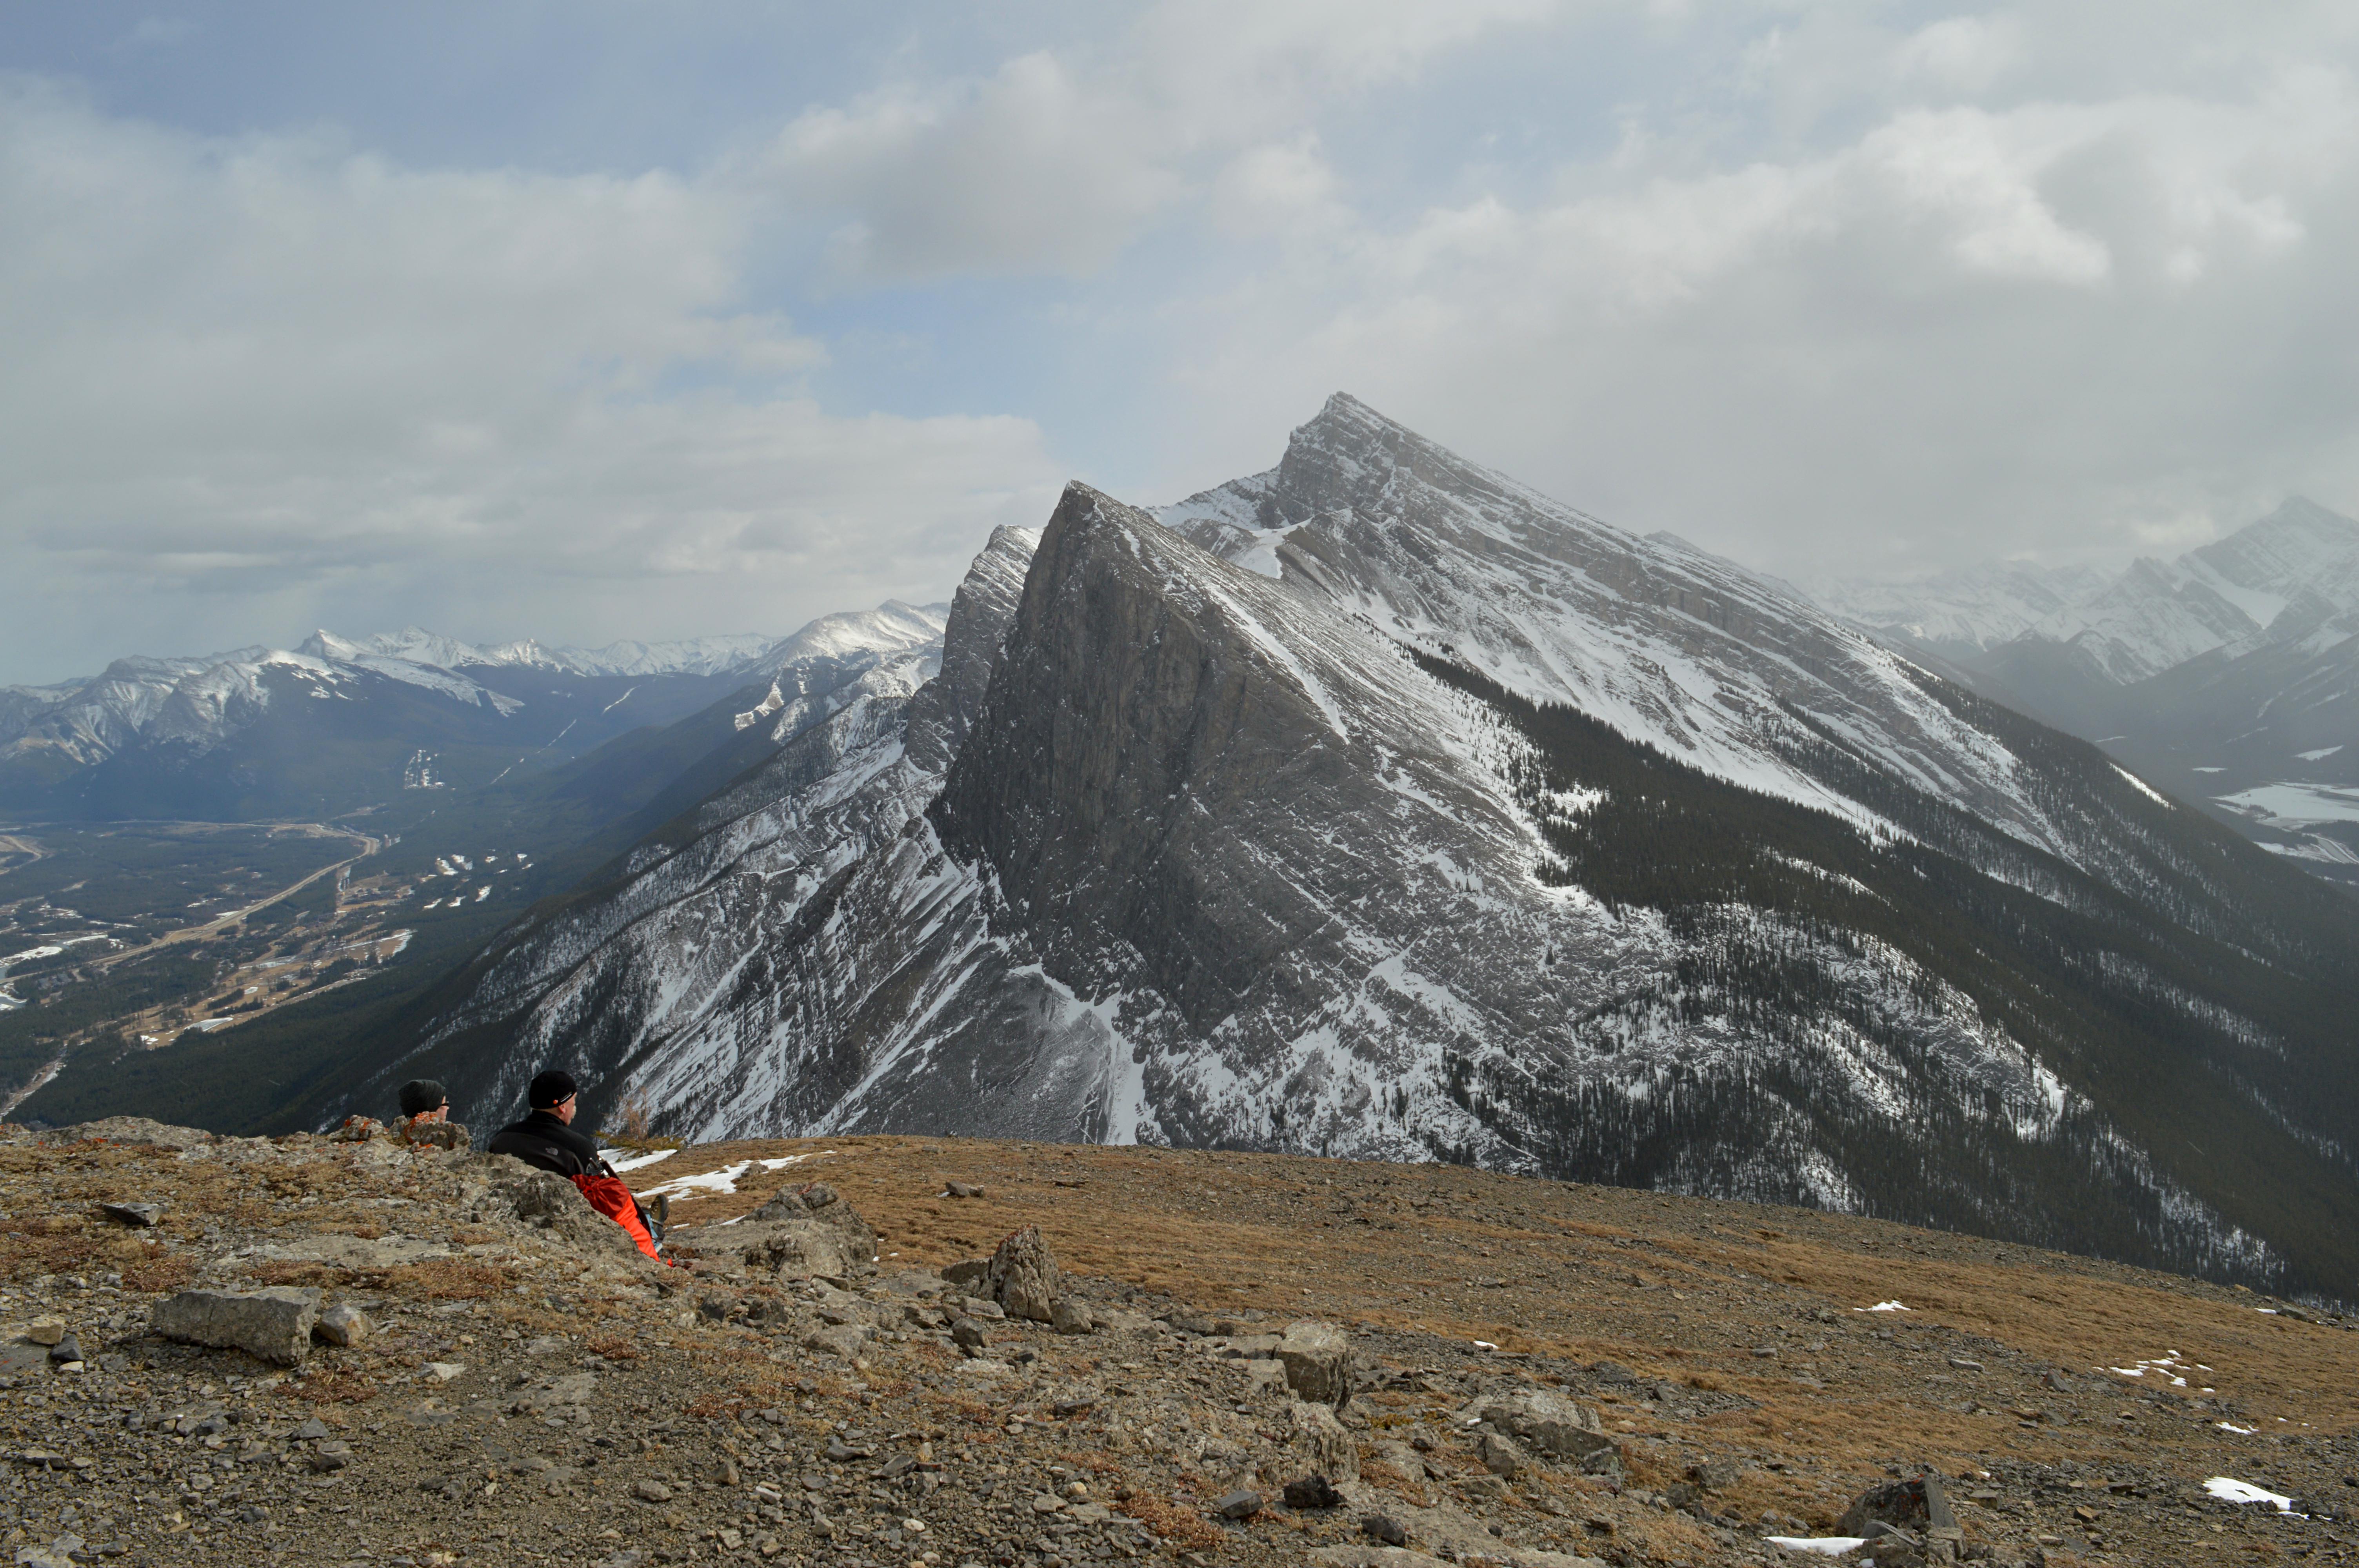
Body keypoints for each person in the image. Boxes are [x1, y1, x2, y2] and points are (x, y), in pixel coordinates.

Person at [488, 1070, 669, 1262]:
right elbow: (603, 1201)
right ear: (562, 1107)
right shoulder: (578, 1148)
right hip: (565, 1226)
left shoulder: (503, 1137)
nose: (575, 1107)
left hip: (507, 1215)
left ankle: (651, 1222)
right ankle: (652, 1229)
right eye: (573, 1101)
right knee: (634, 1219)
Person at [394, 1079, 467, 1150]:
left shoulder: (399, 1133)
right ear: (432, 1107)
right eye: (445, 1104)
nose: (448, 1108)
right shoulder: (440, 1144)